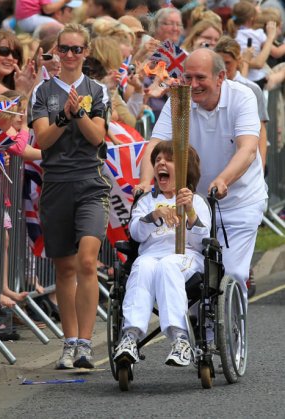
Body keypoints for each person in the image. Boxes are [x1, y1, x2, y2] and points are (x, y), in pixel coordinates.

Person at [138, 48, 266, 304]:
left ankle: (232, 340)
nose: (193, 85)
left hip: (239, 202)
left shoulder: (243, 97)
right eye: (188, 77)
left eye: (200, 78)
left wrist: (223, 179)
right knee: (194, 276)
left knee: (232, 272)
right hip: (194, 204)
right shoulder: (179, 100)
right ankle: (199, 335)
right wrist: (144, 181)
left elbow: (249, 149)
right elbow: (155, 144)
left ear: (220, 77)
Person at [30, 23, 111, 370]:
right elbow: (41, 141)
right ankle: (70, 341)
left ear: (86, 52)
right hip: (57, 184)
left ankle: (86, 345)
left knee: (87, 261)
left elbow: (97, 138)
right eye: (65, 49)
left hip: (91, 182)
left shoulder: (98, 91)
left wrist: (78, 113)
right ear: (56, 52)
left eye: (77, 49)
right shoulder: (43, 92)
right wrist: (63, 116)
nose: (70, 55)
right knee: (64, 267)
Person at [113, 141, 210, 368]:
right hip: (151, 256)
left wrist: (190, 213)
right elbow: (136, 233)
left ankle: (180, 339)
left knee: (168, 264)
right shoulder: (146, 201)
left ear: (185, 169)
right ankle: (130, 336)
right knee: (143, 265)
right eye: (157, 160)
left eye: (169, 159)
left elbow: (202, 240)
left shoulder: (196, 201)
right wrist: (153, 215)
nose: (161, 163)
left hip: (187, 258)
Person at [215, 36, 269, 170]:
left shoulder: (252, 89)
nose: (223, 67)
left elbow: (261, 129)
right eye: (219, 62)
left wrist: (261, 164)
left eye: (227, 62)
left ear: (238, 60)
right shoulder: (209, 87)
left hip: (243, 156)